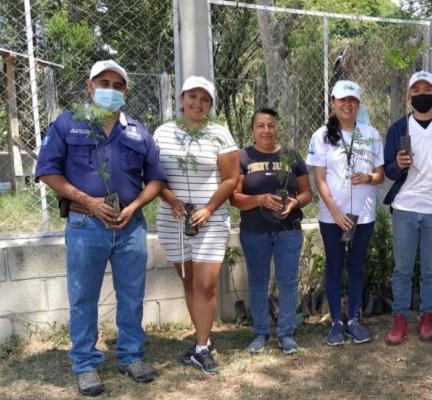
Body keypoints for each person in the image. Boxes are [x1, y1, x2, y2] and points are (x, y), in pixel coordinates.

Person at [35, 60, 166, 396]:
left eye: (118, 85)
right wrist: (89, 201)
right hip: (85, 224)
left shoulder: (138, 131)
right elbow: (48, 171)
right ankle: (85, 364)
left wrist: (135, 206)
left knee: (132, 295)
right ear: (89, 86)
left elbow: (155, 179)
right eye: (103, 82)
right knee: (83, 297)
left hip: (130, 226)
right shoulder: (67, 124)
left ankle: (131, 355)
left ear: (126, 91)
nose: (111, 89)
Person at [153, 76, 239, 374]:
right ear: (181, 98)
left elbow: (231, 178)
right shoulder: (163, 133)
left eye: (205, 99)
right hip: (172, 219)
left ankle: (201, 348)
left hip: (210, 219)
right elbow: (153, 176)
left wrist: (209, 208)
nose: (198, 103)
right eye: (192, 97)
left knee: (205, 284)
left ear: (211, 105)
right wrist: (172, 200)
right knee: (189, 281)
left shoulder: (219, 133)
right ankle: (203, 339)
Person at [383, 71, 432, 344]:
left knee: (431, 268)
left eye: (427, 88)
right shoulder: (398, 129)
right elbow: (389, 172)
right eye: (416, 90)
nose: (422, 94)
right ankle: (400, 318)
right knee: (402, 268)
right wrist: (398, 164)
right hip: (404, 207)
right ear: (408, 96)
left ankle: (428, 316)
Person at [306, 80, 385, 345]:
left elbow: (380, 174)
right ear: (333, 103)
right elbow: (320, 180)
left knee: (356, 266)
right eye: (342, 100)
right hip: (333, 217)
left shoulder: (371, 134)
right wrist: (336, 212)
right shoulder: (321, 135)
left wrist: (369, 177)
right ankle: (336, 321)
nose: (347, 104)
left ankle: (354, 319)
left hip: (364, 215)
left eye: (352, 100)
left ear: (358, 104)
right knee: (335, 266)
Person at [231, 108, 312, 355]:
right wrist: (260, 200)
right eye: (260, 125)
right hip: (255, 231)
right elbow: (234, 198)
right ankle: (260, 333)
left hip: (288, 231)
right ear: (253, 129)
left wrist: (294, 203)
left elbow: (308, 193)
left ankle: (286, 334)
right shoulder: (242, 157)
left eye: (271, 125)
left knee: (288, 282)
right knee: (258, 282)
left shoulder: (291, 156)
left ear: (277, 128)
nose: (266, 130)